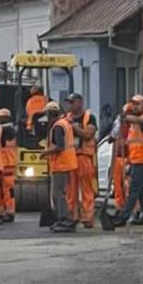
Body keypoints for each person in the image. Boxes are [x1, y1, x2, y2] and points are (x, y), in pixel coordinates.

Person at [113, 95, 143, 227]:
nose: (135, 106)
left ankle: (123, 216)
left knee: (134, 190)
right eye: (133, 104)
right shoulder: (134, 122)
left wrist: (125, 116)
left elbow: (141, 121)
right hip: (137, 158)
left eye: (137, 104)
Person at [39, 101, 78, 233]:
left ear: (50, 114)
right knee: (60, 193)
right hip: (66, 163)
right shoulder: (64, 123)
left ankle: (65, 219)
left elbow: (59, 146)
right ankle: (63, 218)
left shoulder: (58, 126)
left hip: (61, 164)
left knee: (58, 194)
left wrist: (45, 152)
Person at [65, 93, 97, 228]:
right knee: (70, 190)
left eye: (72, 102)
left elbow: (88, 135)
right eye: (69, 103)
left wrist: (73, 127)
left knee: (87, 189)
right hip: (70, 157)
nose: (70, 105)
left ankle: (87, 217)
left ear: (80, 103)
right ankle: (72, 216)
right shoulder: (65, 118)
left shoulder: (89, 118)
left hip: (84, 156)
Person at [109, 102, 133, 210]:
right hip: (119, 157)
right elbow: (112, 138)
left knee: (128, 184)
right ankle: (120, 205)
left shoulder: (135, 125)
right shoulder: (118, 124)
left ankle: (132, 207)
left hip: (129, 157)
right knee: (118, 184)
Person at [0, 108, 17, 223]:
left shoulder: (5, 130)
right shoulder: (11, 129)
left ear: (5, 118)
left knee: (2, 190)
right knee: (8, 191)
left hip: (4, 164)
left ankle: (4, 212)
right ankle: (8, 211)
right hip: (9, 163)